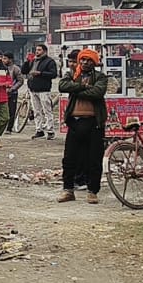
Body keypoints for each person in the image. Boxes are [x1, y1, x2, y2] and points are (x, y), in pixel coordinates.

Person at [58, 47, 109, 204]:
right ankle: (68, 190)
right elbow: (62, 86)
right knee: (69, 159)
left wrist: (76, 90)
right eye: (83, 59)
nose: (85, 62)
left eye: (89, 60)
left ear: (94, 62)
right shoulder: (72, 74)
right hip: (75, 122)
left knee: (94, 159)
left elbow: (97, 93)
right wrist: (83, 87)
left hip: (94, 123)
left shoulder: (101, 77)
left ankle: (92, 191)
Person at [26, 44, 59, 139]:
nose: (37, 52)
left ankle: (50, 130)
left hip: (44, 89)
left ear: (44, 51)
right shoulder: (33, 61)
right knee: (36, 111)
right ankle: (39, 129)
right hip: (33, 88)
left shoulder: (49, 61)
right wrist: (27, 61)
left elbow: (53, 74)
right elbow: (25, 71)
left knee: (47, 110)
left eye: (39, 50)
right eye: (36, 50)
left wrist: (40, 73)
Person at [4, 52, 24, 133]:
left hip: (12, 93)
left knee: (11, 111)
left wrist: (12, 88)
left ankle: (9, 128)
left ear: (10, 59)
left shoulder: (16, 69)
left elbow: (20, 81)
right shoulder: (1, 68)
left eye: (5, 58)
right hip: (1, 93)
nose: (3, 60)